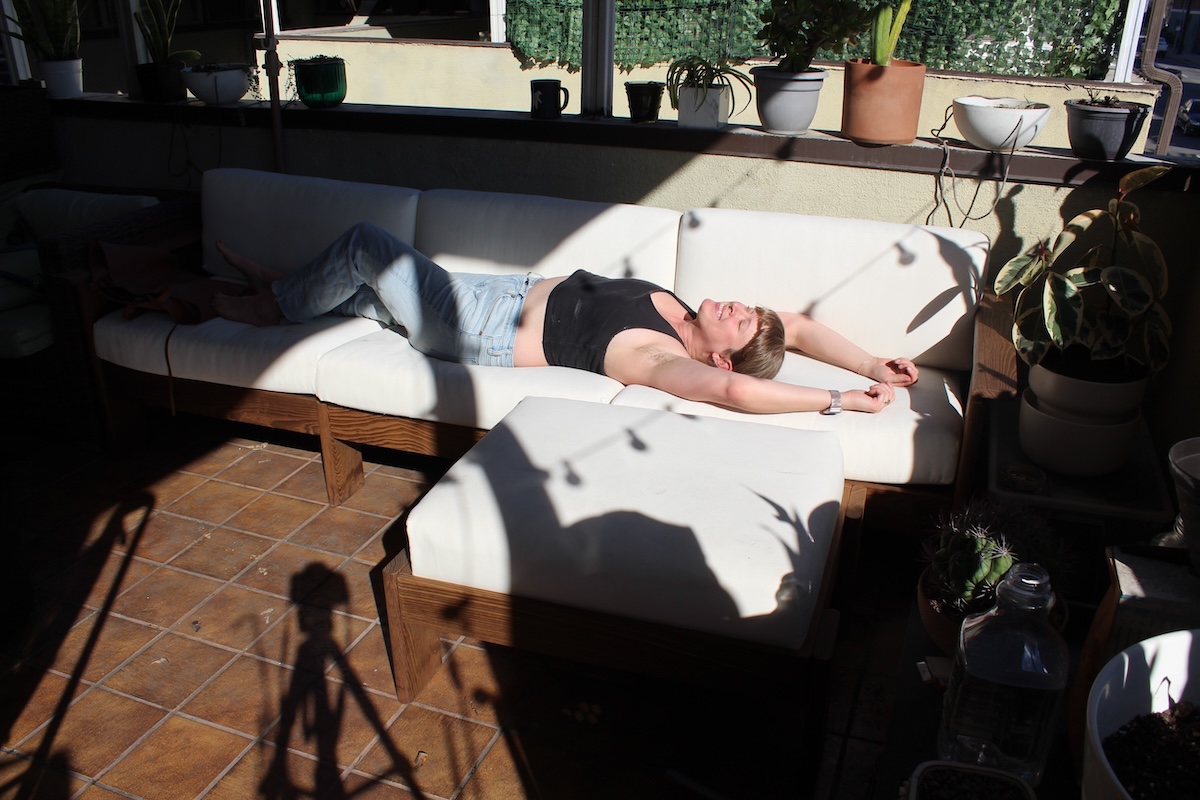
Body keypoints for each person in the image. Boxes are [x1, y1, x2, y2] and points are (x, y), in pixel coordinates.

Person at [213, 222, 917, 414]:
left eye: (737, 322)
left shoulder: (661, 359)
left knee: (370, 244)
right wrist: (870, 363)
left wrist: (840, 400)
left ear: (721, 357)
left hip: (472, 328)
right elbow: (789, 324)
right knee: (364, 293)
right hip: (490, 290)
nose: (737, 306)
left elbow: (740, 391)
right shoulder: (683, 315)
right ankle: (282, 289)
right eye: (744, 308)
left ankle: (267, 304)